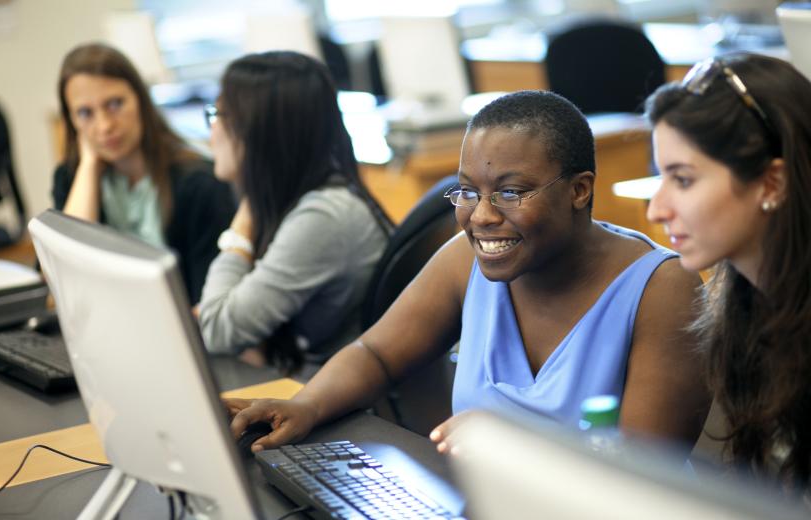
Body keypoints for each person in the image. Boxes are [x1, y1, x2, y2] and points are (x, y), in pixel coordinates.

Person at [225, 90, 711, 456]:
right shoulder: (467, 259)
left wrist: (518, 448)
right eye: (468, 192)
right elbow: (376, 354)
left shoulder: (663, 290)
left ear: (580, 191)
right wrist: (307, 406)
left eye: (510, 191)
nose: (480, 216)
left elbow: (646, 475)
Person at [645, 53, 811, 495]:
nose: (656, 209)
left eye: (682, 180)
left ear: (772, 184)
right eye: (659, 177)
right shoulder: (740, 314)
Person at [198, 52, 391, 371]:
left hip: (337, 403)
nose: (212, 130)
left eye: (219, 114)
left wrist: (241, 228)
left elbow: (217, 330)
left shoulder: (323, 217)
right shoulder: (309, 199)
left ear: (259, 131)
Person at [53, 43, 235, 305]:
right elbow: (61, 281)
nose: (104, 126)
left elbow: (208, 303)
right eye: (85, 113)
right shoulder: (72, 178)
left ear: (141, 100)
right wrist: (90, 166)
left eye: (115, 104)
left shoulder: (198, 182)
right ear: (70, 120)